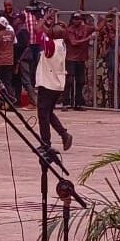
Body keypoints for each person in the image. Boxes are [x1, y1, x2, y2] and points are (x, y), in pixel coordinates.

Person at [35, 23, 73, 151]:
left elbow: (38, 30)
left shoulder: (51, 45)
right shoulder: (62, 44)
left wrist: (43, 20)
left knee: (43, 116)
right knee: (48, 113)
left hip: (48, 84)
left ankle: (46, 143)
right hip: (57, 83)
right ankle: (64, 134)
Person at [63, 12, 95, 111]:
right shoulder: (69, 30)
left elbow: (97, 28)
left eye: (79, 19)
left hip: (81, 59)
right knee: (69, 81)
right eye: (75, 19)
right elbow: (73, 43)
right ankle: (66, 103)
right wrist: (88, 39)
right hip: (71, 58)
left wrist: (107, 16)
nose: (77, 21)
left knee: (80, 81)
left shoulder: (85, 28)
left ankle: (78, 103)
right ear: (72, 20)